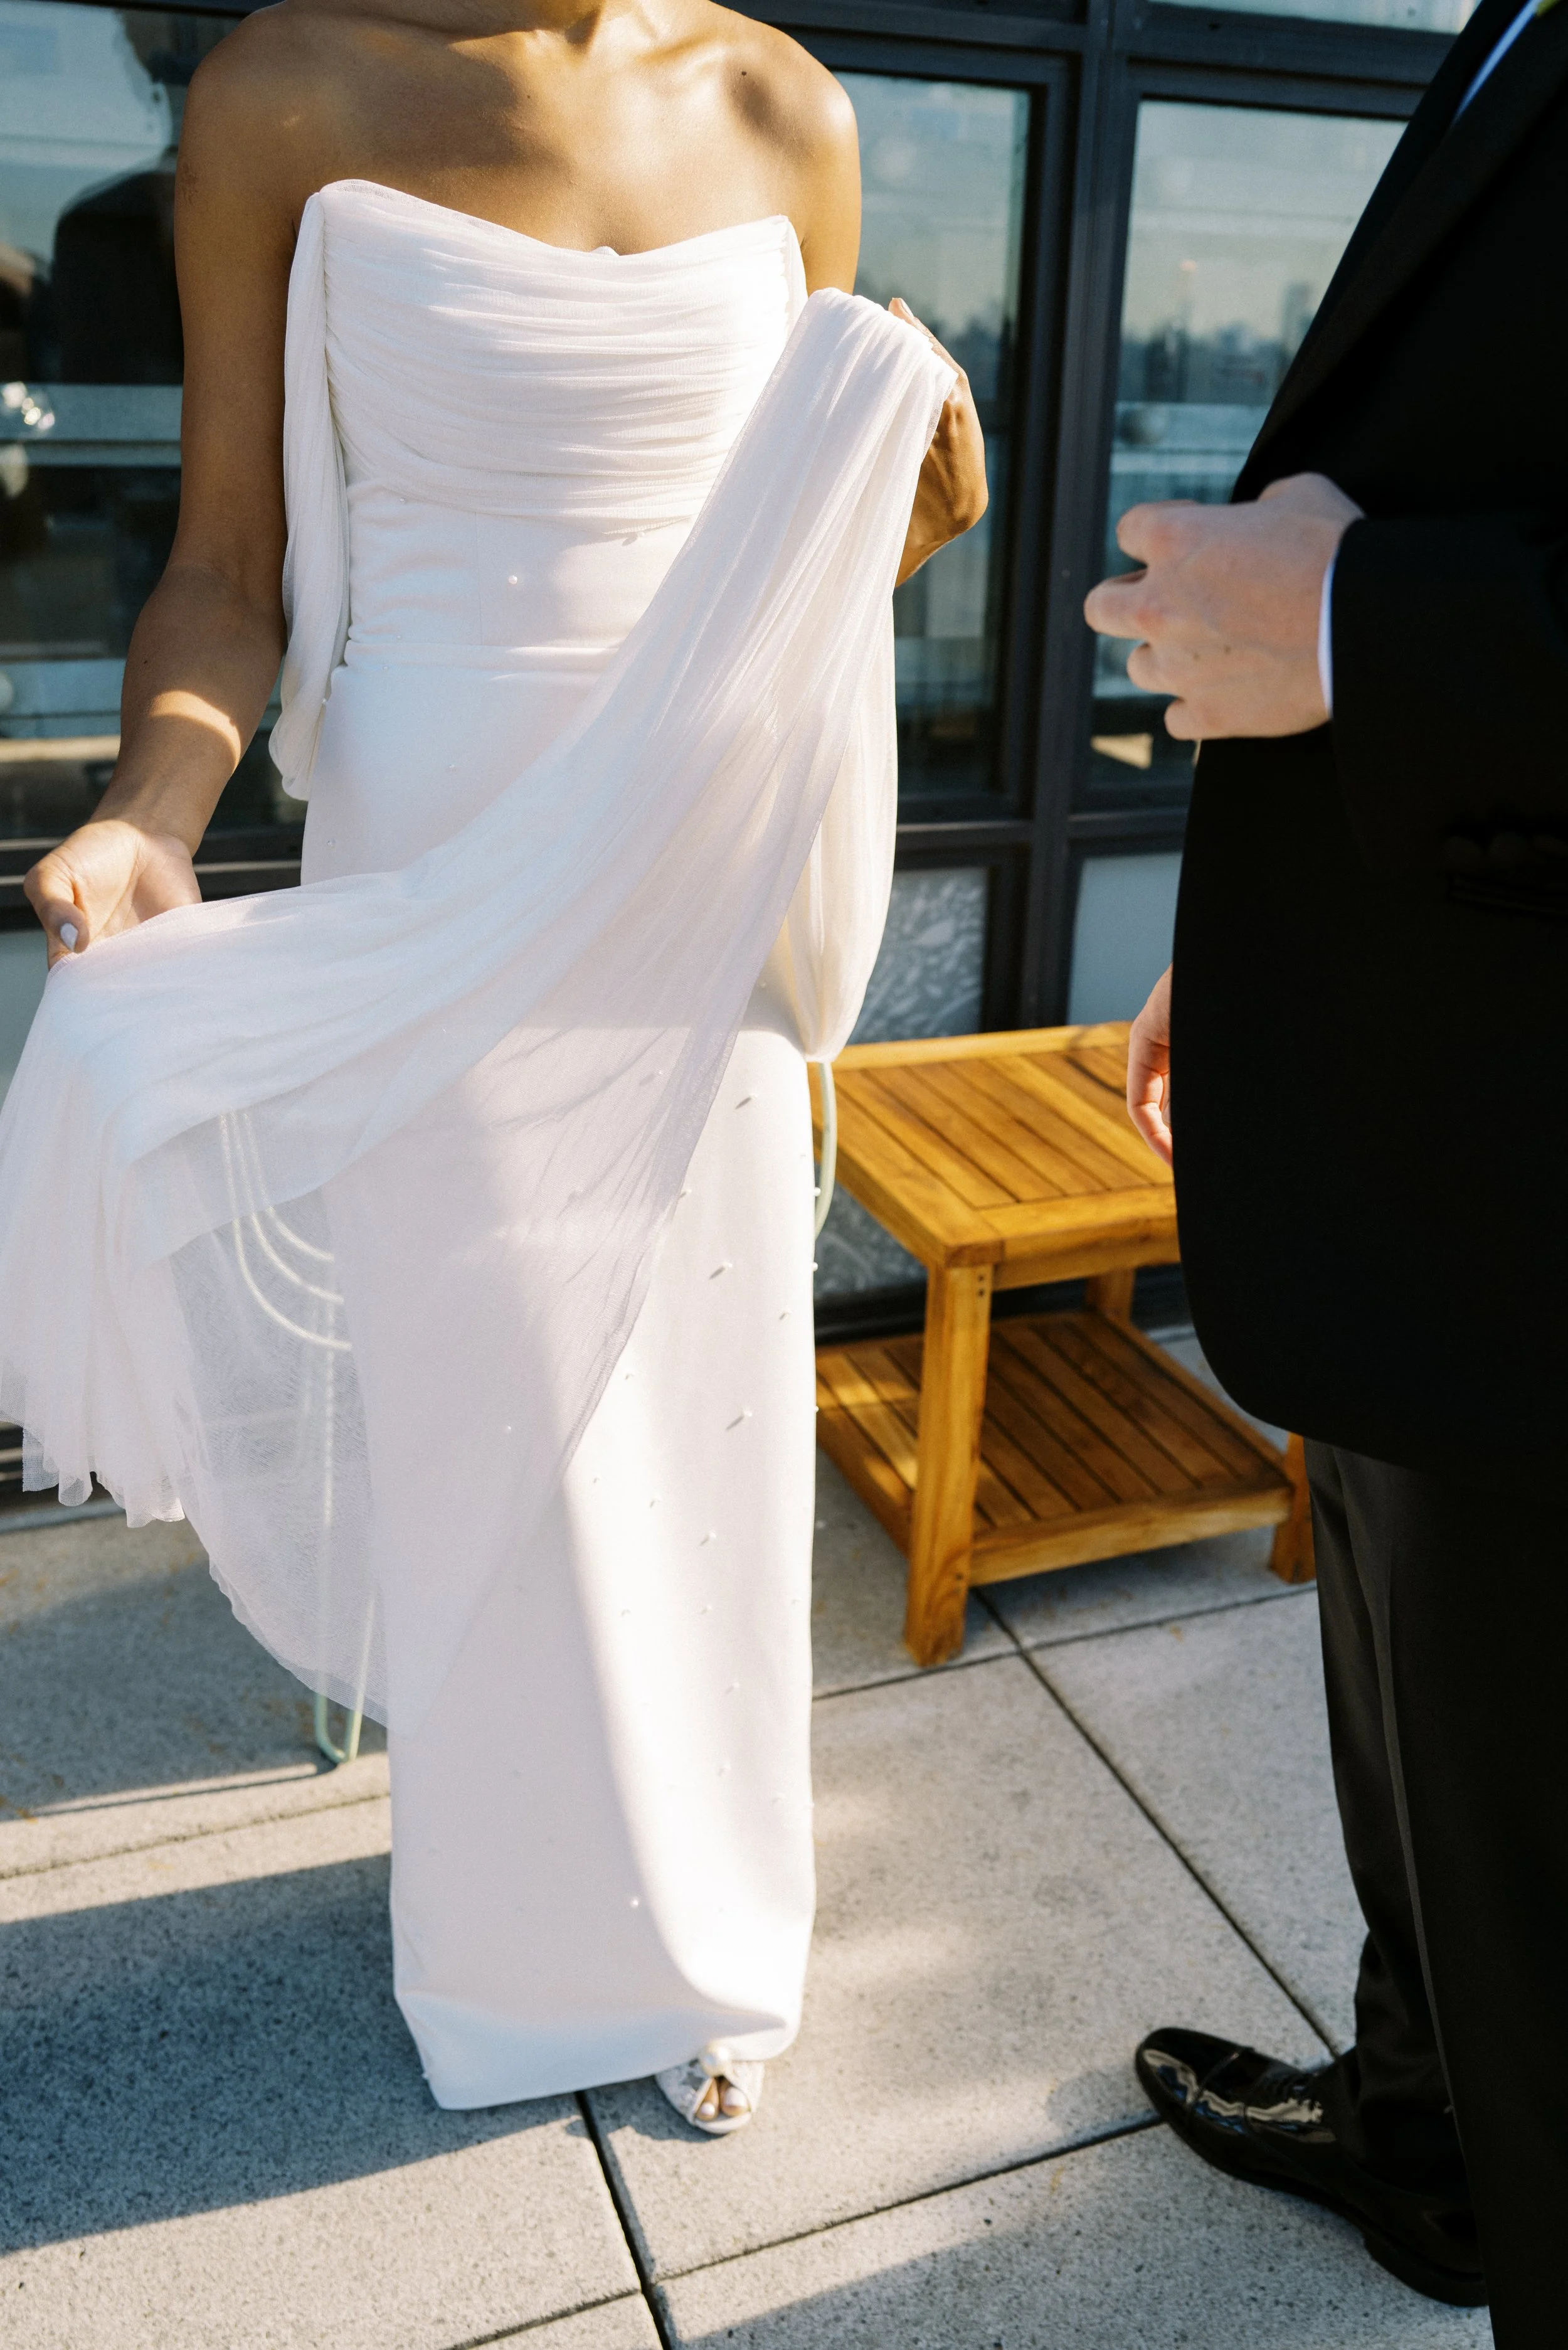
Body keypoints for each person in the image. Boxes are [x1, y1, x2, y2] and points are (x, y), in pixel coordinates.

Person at [3, 0, 984, 2134]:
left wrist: (892, 530)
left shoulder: (782, 106)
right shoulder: (291, 83)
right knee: (498, 1428)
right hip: (437, 848)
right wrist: (152, 811)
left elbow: (792, 550)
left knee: (704, 1410)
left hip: (699, 865)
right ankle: (520, 1960)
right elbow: (228, 564)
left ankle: (712, 1941)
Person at [1084, 0, 1568, 2332]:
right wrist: (1266, 933)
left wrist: (1372, 631)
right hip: (1423, 1120)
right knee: (1404, 1713)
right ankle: (1422, 2133)